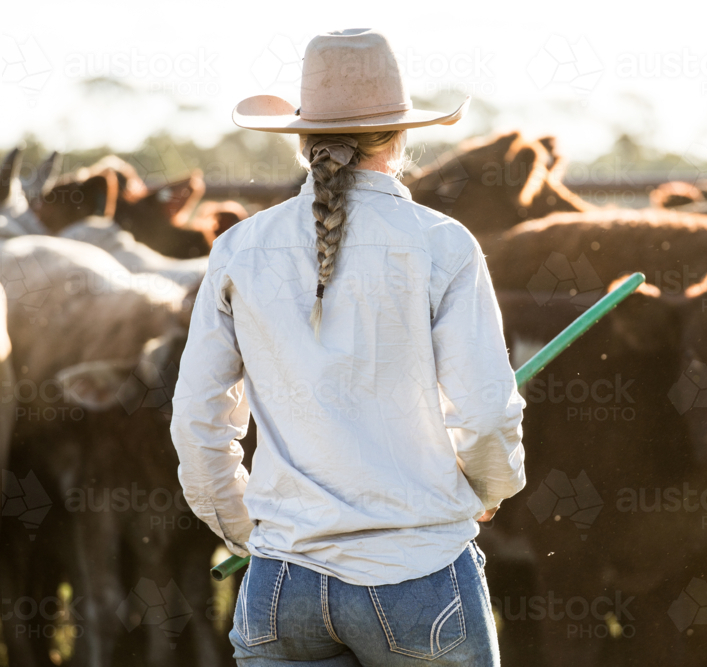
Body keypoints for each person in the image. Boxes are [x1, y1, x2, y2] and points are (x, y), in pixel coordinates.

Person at [171, 29, 526, 666]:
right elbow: (487, 412)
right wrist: (488, 489)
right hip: (418, 574)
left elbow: (198, 420)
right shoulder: (443, 245)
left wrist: (247, 531)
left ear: (303, 141)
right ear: (399, 137)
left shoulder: (238, 251)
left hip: (282, 587)